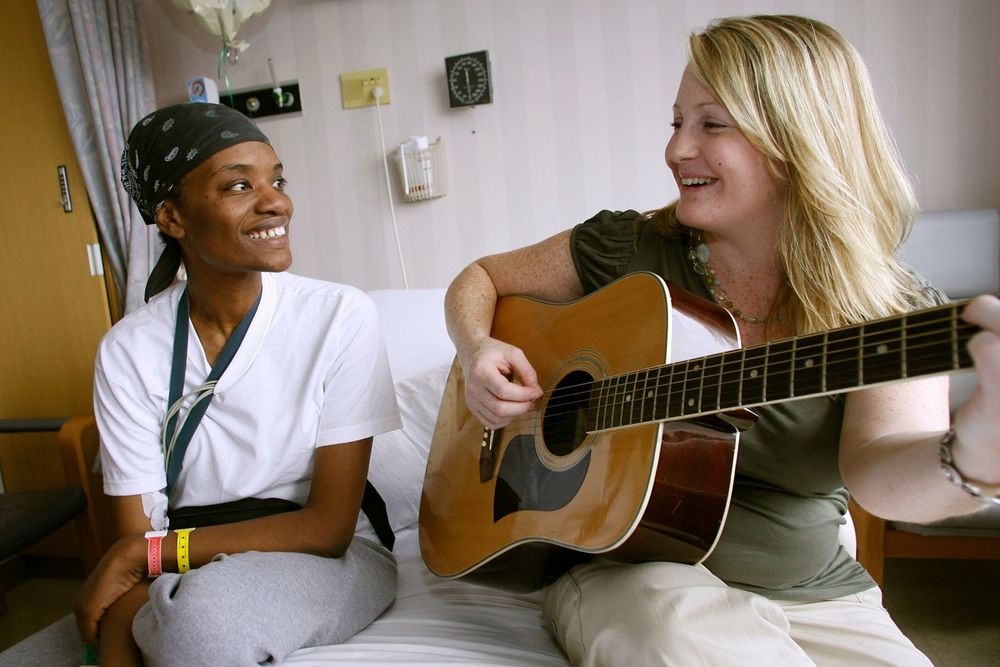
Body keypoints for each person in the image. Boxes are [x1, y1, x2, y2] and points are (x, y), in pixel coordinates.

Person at [444, 15, 1000, 666]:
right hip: (632, 570)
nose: (676, 150)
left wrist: (977, 455)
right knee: (681, 635)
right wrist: (477, 346)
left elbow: (878, 473)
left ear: (798, 138)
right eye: (676, 122)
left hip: (811, 593)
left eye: (711, 124)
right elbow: (480, 278)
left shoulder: (889, 309)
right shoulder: (631, 247)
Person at [74, 102, 402, 665]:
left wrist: (141, 560)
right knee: (158, 619)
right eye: (238, 186)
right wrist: (135, 579)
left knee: (199, 623)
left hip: (328, 555)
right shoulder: (128, 349)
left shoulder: (339, 316)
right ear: (172, 217)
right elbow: (135, 531)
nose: (276, 200)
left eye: (276, 180)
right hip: (181, 558)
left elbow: (329, 528)